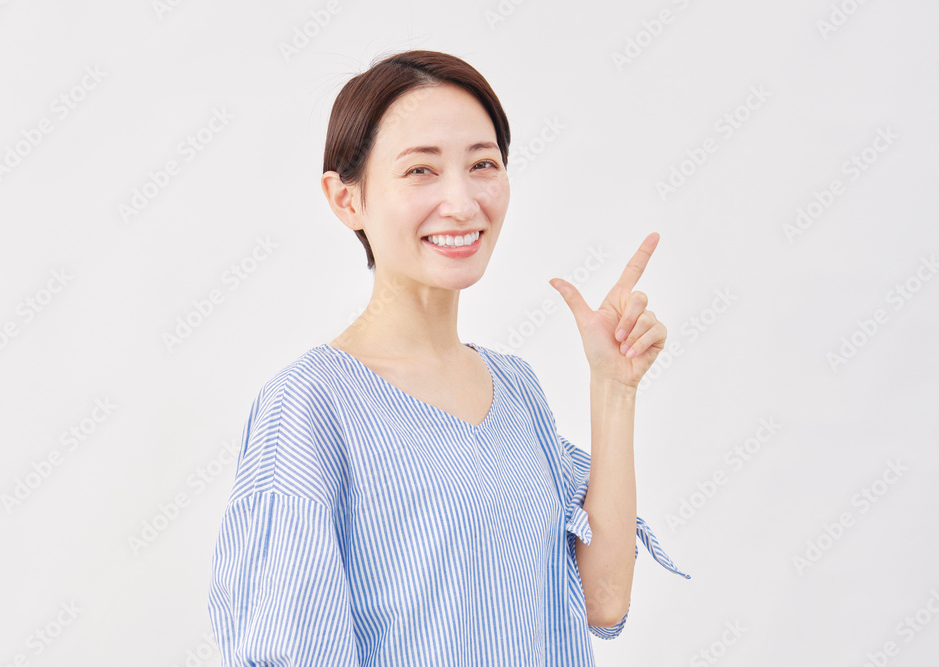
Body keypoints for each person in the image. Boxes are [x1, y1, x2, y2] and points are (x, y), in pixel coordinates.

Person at [207, 49, 690, 667]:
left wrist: (614, 389)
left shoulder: (515, 388)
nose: (462, 203)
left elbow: (602, 602)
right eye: (421, 171)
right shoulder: (309, 407)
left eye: (483, 164)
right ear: (346, 199)